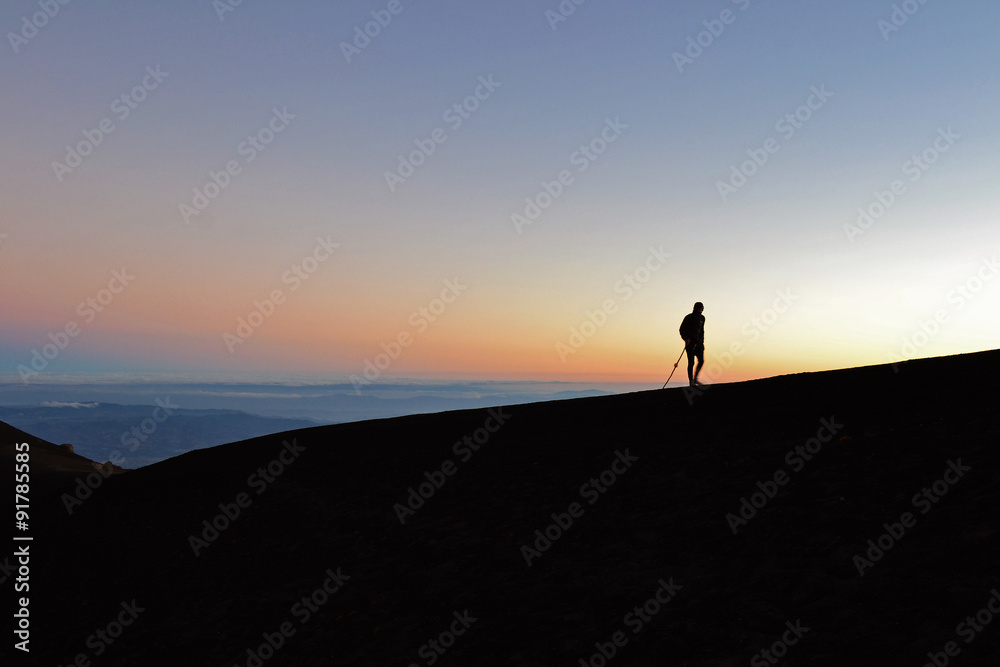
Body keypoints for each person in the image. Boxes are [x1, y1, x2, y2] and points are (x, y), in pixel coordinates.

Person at [679, 302, 705, 387]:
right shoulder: (688, 317)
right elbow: (681, 329)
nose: (701, 309)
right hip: (690, 344)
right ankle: (691, 381)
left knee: (701, 361)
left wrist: (702, 343)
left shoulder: (702, 318)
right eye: (699, 307)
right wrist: (686, 338)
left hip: (699, 344)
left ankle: (696, 378)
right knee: (691, 362)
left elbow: (702, 331)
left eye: (701, 308)